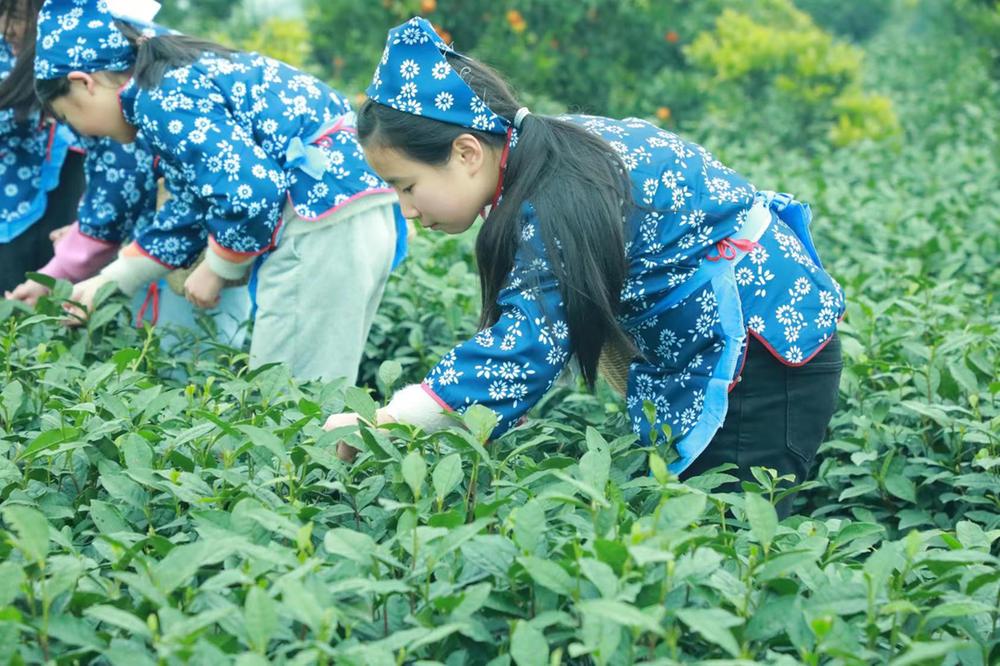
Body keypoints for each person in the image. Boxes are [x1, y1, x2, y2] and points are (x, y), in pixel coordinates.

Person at [325, 17, 845, 499]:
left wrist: (386, 423)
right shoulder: (545, 154)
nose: (406, 210)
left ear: (466, 153)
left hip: (759, 362)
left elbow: (524, 349)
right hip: (732, 349)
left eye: (407, 186)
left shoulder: (554, 194)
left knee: (728, 536)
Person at [32, 0, 406, 382]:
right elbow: (193, 207)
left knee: (290, 399)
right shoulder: (175, 78)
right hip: (348, 214)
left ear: (83, 82)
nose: (81, 132)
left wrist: (218, 267)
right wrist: (110, 281)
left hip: (321, 225)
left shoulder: (159, 97)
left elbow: (251, 192)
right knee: (318, 383)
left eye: (67, 117)